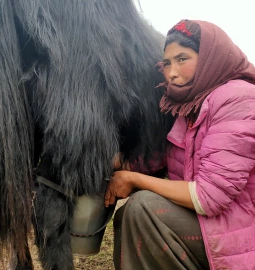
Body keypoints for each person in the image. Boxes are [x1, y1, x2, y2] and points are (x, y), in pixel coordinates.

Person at [105, 19, 255, 270]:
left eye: (182, 59)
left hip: (238, 233)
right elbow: (166, 156)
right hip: (210, 225)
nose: (172, 72)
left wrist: (133, 180)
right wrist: (123, 163)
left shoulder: (238, 100)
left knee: (142, 210)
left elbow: (209, 197)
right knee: (126, 216)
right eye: (167, 63)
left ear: (210, 57)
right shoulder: (191, 104)